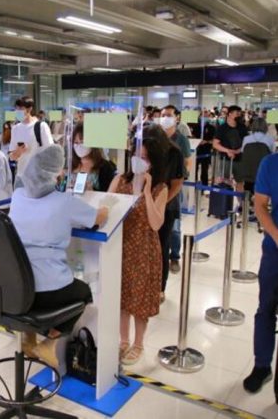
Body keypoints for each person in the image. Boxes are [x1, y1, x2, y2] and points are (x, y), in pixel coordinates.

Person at [9, 145, 108, 368]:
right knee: (83, 292)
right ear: (54, 172)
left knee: (42, 294)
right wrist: (106, 208)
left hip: (17, 287)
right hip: (48, 291)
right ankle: (50, 342)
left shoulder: (17, 196)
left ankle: (28, 337)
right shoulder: (63, 201)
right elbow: (97, 218)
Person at [109, 137, 167, 365]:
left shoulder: (161, 188)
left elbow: (156, 223)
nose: (138, 161)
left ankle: (139, 344)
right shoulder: (120, 180)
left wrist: (147, 192)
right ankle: (123, 340)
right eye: (136, 155)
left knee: (140, 299)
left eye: (144, 158)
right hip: (120, 245)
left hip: (144, 248)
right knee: (122, 296)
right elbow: (107, 206)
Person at [243, 151, 278, 394]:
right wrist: (276, 236)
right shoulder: (270, 164)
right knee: (266, 308)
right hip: (274, 251)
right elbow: (260, 205)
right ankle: (262, 365)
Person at [144, 125, 184, 296]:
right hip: (144, 205)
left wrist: (160, 203)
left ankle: (160, 288)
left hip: (166, 207)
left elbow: (177, 183)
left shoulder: (174, 153)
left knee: (161, 246)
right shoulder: (143, 152)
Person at [160, 106, 191, 275]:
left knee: (174, 225)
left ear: (176, 118)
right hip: (158, 186)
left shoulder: (181, 139)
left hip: (174, 186)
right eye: (163, 115)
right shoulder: (156, 138)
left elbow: (187, 161)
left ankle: (174, 257)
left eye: (169, 115)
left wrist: (180, 180)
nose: (165, 118)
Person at [9, 96, 53, 181]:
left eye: (21, 109)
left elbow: (51, 151)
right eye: (16, 109)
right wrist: (18, 152)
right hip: (21, 176)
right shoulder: (15, 129)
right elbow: (11, 156)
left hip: (38, 176)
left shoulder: (41, 126)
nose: (18, 112)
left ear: (29, 109)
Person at [213, 105, 249, 194]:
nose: (239, 116)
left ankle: (241, 201)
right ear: (229, 114)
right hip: (225, 160)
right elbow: (215, 144)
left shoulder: (242, 127)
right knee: (224, 182)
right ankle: (224, 201)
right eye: (237, 113)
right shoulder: (222, 128)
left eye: (239, 114)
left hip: (240, 159)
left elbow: (246, 142)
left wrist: (238, 151)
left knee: (240, 183)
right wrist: (227, 151)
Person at [71, 123, 116, 192]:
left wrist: (92, 190)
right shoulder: (70, 164)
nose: (79, 146)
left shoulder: (105, 167)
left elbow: (108, 194)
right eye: (76, 143)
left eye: (82, 142)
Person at [194, 109, 215, 186]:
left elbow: (214, 140)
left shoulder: (211, 128)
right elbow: (192, 136)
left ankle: (204, 185)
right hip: (196, 150)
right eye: (203, 114)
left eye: (206, 115)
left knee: (205, 169)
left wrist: (206, 142)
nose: (204, 116)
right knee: (195, 169)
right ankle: (194, 183)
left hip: (206, 151)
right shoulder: (195, 126)